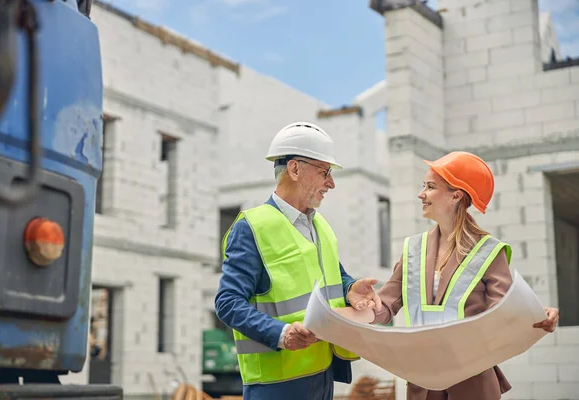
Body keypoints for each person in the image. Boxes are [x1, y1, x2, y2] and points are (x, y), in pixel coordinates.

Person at [359, 151, 559, 400]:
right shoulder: (413, 249)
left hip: (472, 384)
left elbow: (506, 314)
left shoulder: (489, 252)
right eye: (424, 186)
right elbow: (385, 306)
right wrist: (362, 307)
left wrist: (539, 315)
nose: (421, 194)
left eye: (430, 187)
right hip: (423, 383)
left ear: (456, 195)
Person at [215, 122, 379, 400]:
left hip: (322, 373)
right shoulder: (253, 227)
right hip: (276, 385)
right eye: (325, 172)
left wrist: (350, 288)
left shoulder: (320, 225)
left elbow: (331, 276)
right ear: (294, 169)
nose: (331, 183)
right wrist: (281, 333)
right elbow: (227, 302)